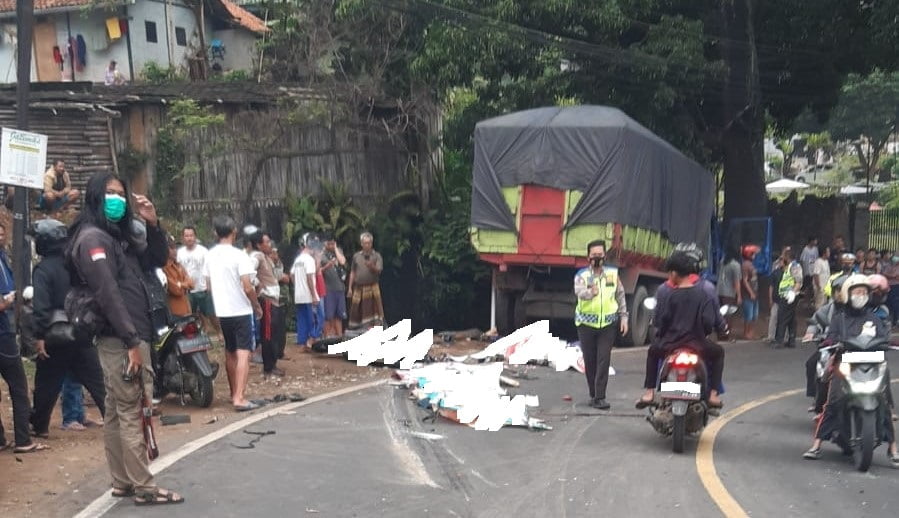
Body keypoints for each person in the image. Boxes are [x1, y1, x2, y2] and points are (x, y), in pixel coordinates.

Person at [66, 172, 183, 504]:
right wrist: (132, 341)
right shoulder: (92, 239)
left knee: (118, 410)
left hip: (128, 336)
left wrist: (153, 223)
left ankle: (122, 480)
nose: (117, 199)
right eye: (109, 193)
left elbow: (156, 260)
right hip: (121, 338)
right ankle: (143, 486)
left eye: (121, 193)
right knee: (133, 409)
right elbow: (108, 294)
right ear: (94, 197)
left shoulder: (116, 237)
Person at [803, 275, 899, 467]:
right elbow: (830, 337)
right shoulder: (840, 318)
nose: (860, 296)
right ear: (848, 295)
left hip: (871, 364)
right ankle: (816, 445)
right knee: (834, 400)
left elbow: (883, 337)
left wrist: (888, 344)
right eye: (856, 292)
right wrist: (828, 343)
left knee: (884, 403)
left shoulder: (874, 318)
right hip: (845, 363)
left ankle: (893, 449)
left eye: (864, 292)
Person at [30, 218, 106, 438]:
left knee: (46, 382)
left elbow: (41, 306)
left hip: (56, 335)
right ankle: (115, 420)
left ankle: (40, 426)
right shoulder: (75, 262)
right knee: (97, 381)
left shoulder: (43, 269)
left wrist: (39, 335)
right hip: (81, 330)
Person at [637, 250, 725, 408]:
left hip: (670, 345)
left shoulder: (670, 295)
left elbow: (661, 321)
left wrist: (661, 335)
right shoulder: (703, 293)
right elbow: (708, 321)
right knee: (718, 353)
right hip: (697, 344)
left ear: (675, 273)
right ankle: (713, 395)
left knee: (652, 352)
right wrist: (704, 333)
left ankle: (649, 392)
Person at [204, 216, 262, 411]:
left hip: (222, 312)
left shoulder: (209, 256)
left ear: (215, 233)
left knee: (229, 352)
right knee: (244, 353)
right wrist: (256, 305)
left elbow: (209, 286)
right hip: (240, 311)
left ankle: (233, 393)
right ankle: (240, 397)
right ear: (234, 232)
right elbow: (247, 286)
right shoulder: (240, 256)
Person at [0, 223, 47, 453]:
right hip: (3, 335)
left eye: (2, 229)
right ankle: (22, 439)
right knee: (19, 387)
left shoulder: (3, 258)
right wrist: (8, 301)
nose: (1, 234)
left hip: (6, 331)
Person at [573, 239, 628, 410]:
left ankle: (600, 396)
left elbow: (620, 295)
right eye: (593, 255)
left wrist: (624, 317)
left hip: (608, 324)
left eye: (600, 254)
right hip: (586, 324)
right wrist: (591, 292)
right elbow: (579, 292)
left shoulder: (612, 274)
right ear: (588, 257)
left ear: (605, 255)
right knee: (590, 361)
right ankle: (592, 394)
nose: (597, 258)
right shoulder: (582, 275)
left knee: (603, 360)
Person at [246, 229, 283, 377]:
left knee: (273, 333)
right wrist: (258, 285)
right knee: (268, 334)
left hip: (272, 300)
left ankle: (272, 363)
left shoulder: (265, 257)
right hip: (266, 300)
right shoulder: (257, 256)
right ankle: (269, 366)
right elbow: (248, 274)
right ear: (258, 244)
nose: (269, 244)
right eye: (266, 242)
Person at [177, 227, 220, 341]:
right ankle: (197, 335)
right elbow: (178, 270)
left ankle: (220, 333)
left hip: (203, 287)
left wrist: (209, 286)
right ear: (183, 238)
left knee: (211, 313)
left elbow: (209, 269)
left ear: (195, 237)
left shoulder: (203, 251)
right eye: (186, 236)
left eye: (191, 235)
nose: (189, 238)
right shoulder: (179, 253)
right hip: (188, 290)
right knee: (191, 314)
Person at [347, 232, 385, 329]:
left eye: (369, 243)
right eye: (365, 243)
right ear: (361, 244)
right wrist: (350, 288)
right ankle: (359, 329)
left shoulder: (376, 256)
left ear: (371, 243)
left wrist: (372, 267)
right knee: (357, 310)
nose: (367, 245)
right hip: (359, 287)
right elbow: (353, 272)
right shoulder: (356, 256)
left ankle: (375, 328)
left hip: (372, 286)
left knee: (374, 310)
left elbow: (379, 270)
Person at [291, 238, 319, 350]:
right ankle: (311, 340)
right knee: (317, 318)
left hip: (299, 294)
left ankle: (302, 343)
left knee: (302, 319)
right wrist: (313, 295)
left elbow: (291, 274)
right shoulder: (309, 260)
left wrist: (297, 285)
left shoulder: (298, 259)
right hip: (308, 295)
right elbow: (309, 277)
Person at [774, 247, 803, 349]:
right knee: (791, 319)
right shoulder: (789, 266)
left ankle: (779, 340)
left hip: (789, 296)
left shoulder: (795, 266)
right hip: (786, 296)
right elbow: (776, 265)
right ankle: (791, 340)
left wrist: (792, 293)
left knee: (782, 317)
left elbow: (798, 282)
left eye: (784, 255)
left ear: (788, 257)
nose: (782, 257)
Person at [320, 234, 348, 338]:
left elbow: (342, 261)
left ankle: (339, 337)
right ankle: (327, 338)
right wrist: (327, 264)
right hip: (328, 289)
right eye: (329, 243)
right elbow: (316, 266)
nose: (331, 245)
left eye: (333, 243)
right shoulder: (322, 254)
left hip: (340, 288)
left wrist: (335, 248)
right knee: (328, 316)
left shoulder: (338, 251)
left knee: (339, 315)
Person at [269, 244, 290, 359]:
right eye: (273, 253)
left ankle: (280, 352)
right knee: (273, 328)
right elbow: (275, 278)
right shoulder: (266, 264)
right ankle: (273, 352)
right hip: (272, 299)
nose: (275, 255)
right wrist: (281, 277)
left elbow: (286, 278)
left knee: (281, 328)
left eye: (276, 253)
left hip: (282, 298)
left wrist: (282, 277)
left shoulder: (279, 264)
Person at [163, 240, 193, 317]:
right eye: (172, 248)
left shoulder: (179, 265)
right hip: (175, 311)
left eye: (175, 248)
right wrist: (185, 285)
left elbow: (192, 283)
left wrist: (180, 284)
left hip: (187, 308)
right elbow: (176, 290)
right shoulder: (163, 268)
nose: (175, 250)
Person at [716, 248, 742, 328]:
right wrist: (739, 296)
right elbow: (736, 282)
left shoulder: (722, 261)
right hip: (729, 293)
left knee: (720, 314)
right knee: (728, 315)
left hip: (719, 291)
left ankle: (720, 333)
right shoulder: (735, 265)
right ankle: (726, 335)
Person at [740, 244, 760, 340]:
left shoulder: (750, 264)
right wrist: (751, 292)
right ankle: (746, 333)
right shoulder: (745, 265)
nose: (754, 255)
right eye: (753, 254)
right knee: (749, 315)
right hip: (748, 295)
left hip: (755, 293)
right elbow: (744, 280)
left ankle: (751, 333)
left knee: (754, 315)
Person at [767, 254, 784, 343]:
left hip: (785, 300)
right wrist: (770, 299)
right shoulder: (775, 273)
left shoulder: (788, 273)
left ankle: (782, 336)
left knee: (783, 319)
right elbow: (771, 286)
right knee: (773, 318)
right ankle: (771, 336)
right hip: (776, 299)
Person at [882, 250, 899, 327]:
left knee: (895, 303)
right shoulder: (889, 265)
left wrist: (890, 275)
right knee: (888, 303)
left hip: (896, 286)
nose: (895, 257)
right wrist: (892, 276)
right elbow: (884, 273)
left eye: (897, 255)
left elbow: (896, 275)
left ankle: (896, 320)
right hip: (888, 286)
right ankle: (889, 320)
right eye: (894, 255)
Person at [800, 237, 819, 303]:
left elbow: (817, 258)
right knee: (807, 285)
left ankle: (812, 299)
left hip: (813, 269)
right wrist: (803, 270)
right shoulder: (805, 250)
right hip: (807, 270)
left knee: (812, 285)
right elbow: (802, 260)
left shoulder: (815, 249)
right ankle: (805, 299)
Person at [812, 245, 831, 309]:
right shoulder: (818, 262)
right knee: (819, 303)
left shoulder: (826, 261)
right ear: (824, 253)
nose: (829, 253)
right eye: (828, 251)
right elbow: (815, 274)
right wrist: (818, 286)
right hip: (820, 287)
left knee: (824, 303)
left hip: (825, 287)